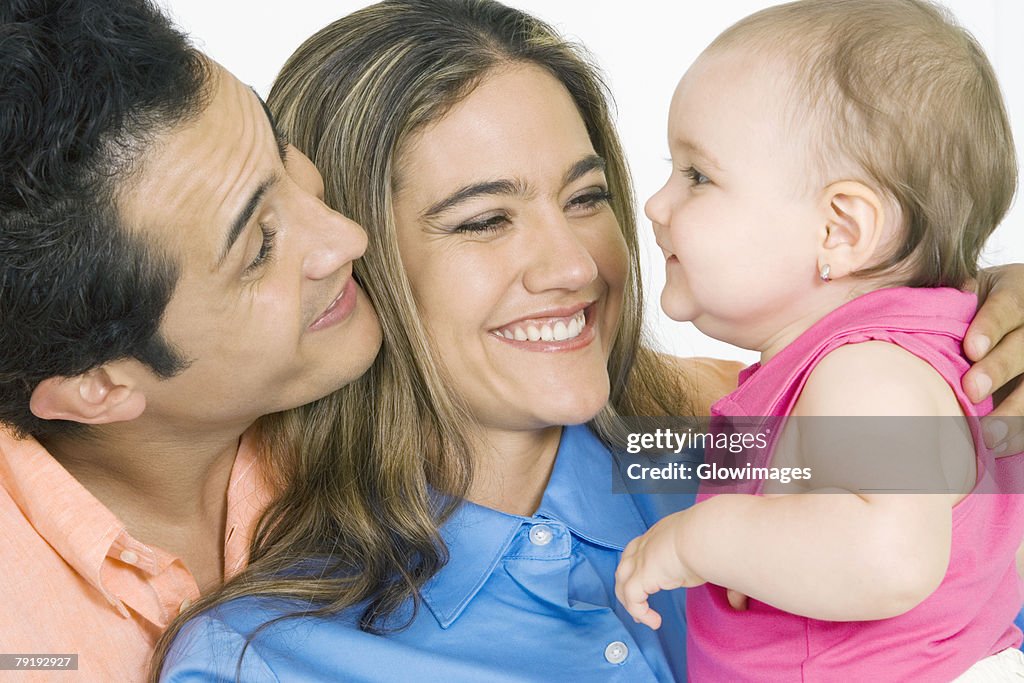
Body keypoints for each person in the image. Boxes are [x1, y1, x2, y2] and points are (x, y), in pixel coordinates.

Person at [156, 0, 1024, 681]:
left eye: (586, 197)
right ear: (353, 257)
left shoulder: (721, 456)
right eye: (486, 220)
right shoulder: (264, 658)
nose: (575, 265)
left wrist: (966, 329)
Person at [614, 0, 1024, 680]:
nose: (656, 205)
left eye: (697, 175)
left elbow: (890, 557)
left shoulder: (868, 369)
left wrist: (703, 539)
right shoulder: (871, 360)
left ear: (840, 230)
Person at [0, 0, 380, 680]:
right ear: (101, 386)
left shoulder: (382, 346)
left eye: (282, 149)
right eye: (260, 247)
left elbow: (620, 442)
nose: (346, 236)